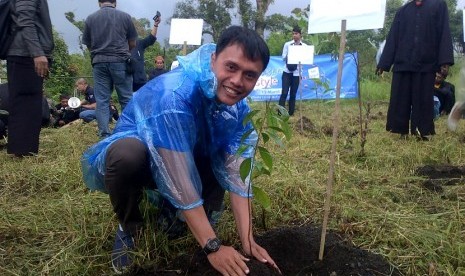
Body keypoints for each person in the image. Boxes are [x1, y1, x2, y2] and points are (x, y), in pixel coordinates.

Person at [81, 26, 280, 275]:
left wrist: (248, 238)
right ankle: (129, 226)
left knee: (218, 149)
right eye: (231, 67)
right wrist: (213, 246)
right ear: (213, 59)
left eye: (250, 75)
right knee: (125, 155)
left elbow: (237, 177)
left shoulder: (238, 111)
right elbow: (175, 176)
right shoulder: (175, 96)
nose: (238, 81)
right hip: (147, 158)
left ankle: (175, 214)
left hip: (184, 158)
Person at [376, 0, 454, 140]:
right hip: (403, 63)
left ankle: (422, 132)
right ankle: (401, 131)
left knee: (423, 100)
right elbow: (393, 37)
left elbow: (444, 33)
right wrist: (384, 63)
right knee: (400, 99)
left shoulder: (438, 6)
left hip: (426, 64)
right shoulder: (403, 11)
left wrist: (445, 62)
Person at [82, 0, 138, 138]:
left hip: (99, 62)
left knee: (102, 100)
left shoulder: (90, 18)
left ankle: (104, 134)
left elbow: (88, 44)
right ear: (115, 2)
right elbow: (132, 43)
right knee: (126, 98)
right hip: (120, 61)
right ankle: (127, 132)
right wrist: (123, 53)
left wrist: (98, 53)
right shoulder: (125, 17)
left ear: (99, 2)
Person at [6, 0, 54, 157]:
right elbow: (25, 20)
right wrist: (38, 53)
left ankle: (23, 150)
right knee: (25, 104)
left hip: (25, 53)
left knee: (31, 105)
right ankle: (22, 151)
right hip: (24, 54)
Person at [278, 26, 307, 116]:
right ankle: (280, 112)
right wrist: (291, 55)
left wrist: (300, 57)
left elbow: (306, 58)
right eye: (293, 34)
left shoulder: (304, 46)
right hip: (287, 71)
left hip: (297, 73)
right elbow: (283, 57)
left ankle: (291, 113)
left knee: (293, 93)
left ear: (300, 35)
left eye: (296, 33)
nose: (294, 35)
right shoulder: (288, 45)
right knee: (284, 92)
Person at [131, 14, 162, 91]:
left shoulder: (139, 43)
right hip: (126, 82)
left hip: (141, 81)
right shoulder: (120, 45)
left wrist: (156, 24)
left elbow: (151, 38)